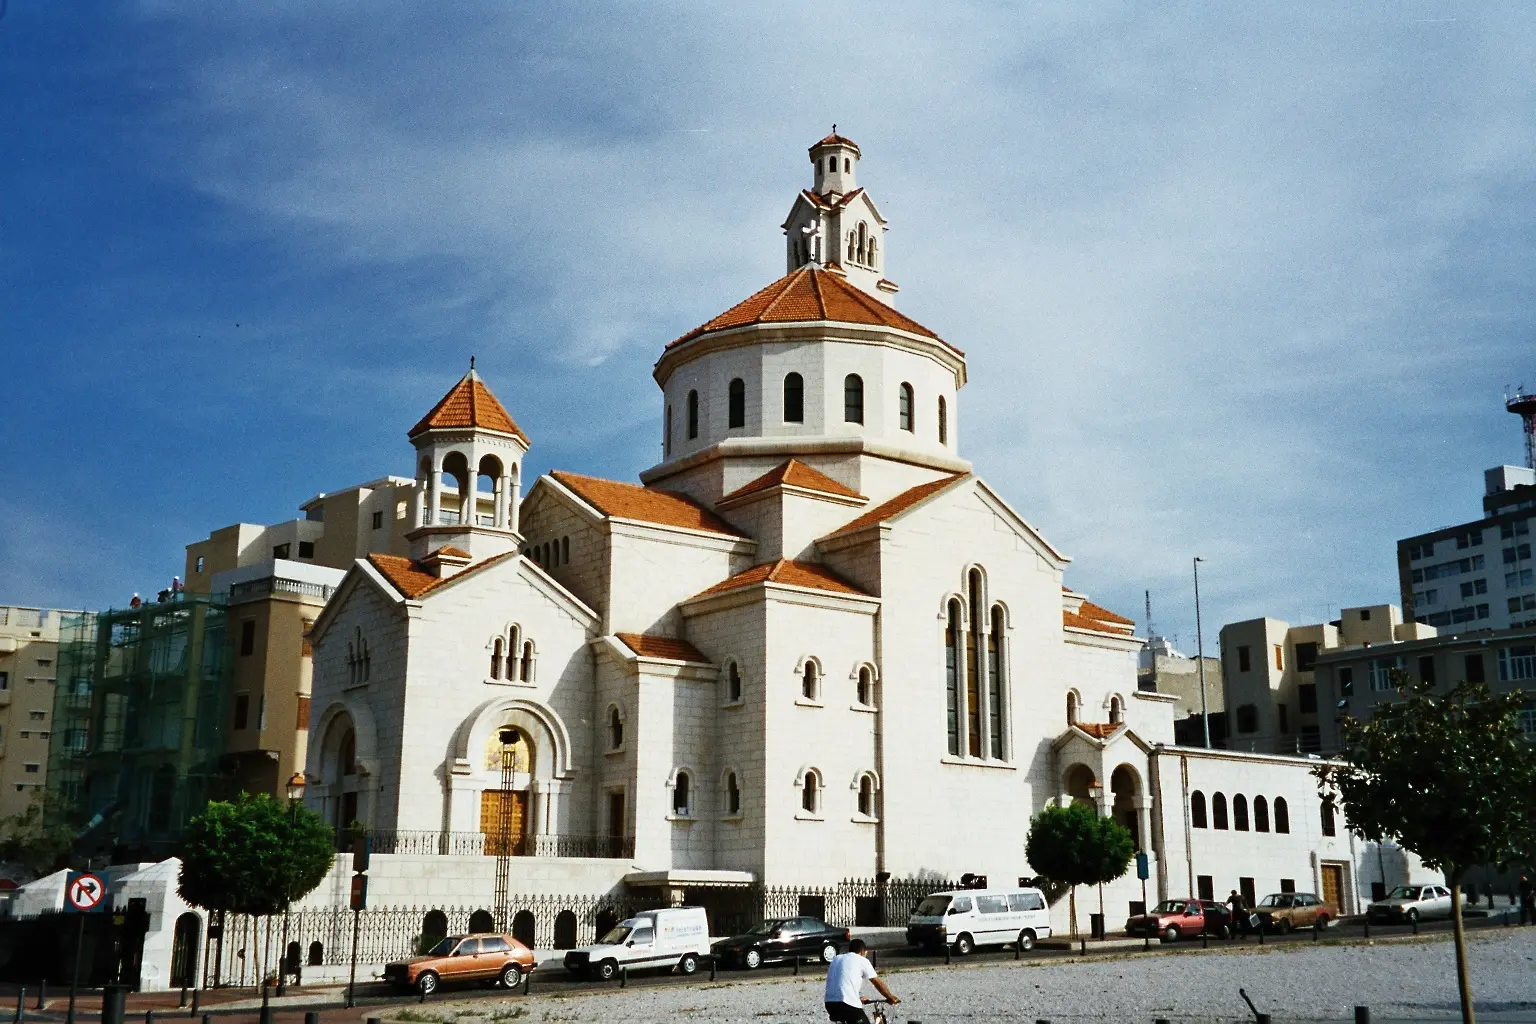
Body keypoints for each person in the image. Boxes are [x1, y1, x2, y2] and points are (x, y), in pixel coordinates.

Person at [824, 939, 899, 1024]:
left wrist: (858, 998)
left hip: (830, 1004)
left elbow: (843, 981)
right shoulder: (862, 960)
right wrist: (890, 997)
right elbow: (876, 982)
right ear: (863, 951)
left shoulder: (836, 959)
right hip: (847, 1004)